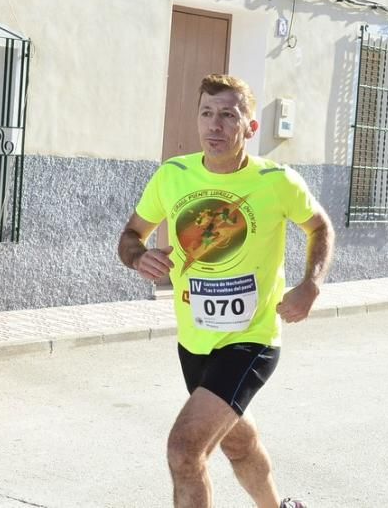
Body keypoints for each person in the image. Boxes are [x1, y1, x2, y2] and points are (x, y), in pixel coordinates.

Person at [118, 74, 335, 508]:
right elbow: (130, 236)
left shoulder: (278, 181)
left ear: (250, 127)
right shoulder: (172, 176)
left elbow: (320, 227)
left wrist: (311, 284)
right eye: (206, 113)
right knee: (239, 444)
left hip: (251, 339)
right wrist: (139, 257)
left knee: (185, 450)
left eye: (228, 116)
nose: (214, 126)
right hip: (195, 341)